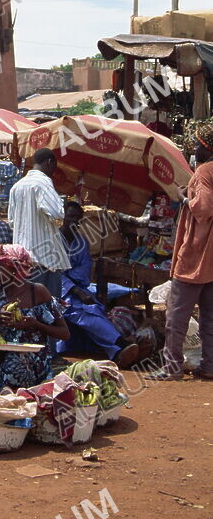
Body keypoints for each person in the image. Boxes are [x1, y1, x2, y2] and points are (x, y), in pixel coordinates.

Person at [150, 121, 213, 381]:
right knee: (210, 318)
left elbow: (205, 208)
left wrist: (184, 197)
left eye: (197, 145)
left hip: (195, 257)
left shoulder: (204, 172)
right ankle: (209, 365)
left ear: (205, 148)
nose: (195, 150)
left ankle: (172, 367)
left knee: (176, 316)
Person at [0, 243, 69, 393]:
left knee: (14, 363)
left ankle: (11, 400)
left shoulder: (37, 292)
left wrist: (35, 324)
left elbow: (64, 333)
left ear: (14, 270)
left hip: (31, 356)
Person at [57, 200, 139, 369]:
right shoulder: (53, 242)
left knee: (94, 308)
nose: (73, 221)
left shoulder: (82, 243)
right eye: (70, 217)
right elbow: (54, 273)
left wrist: (76, 285)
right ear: (62, 217)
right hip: (58, 291)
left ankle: (117, 349)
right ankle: (119, 345)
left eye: (77, 218)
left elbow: (85, 268)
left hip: (78, 287)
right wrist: (75, 289)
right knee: (80, 311)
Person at [7, 147, 70, 297]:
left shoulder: (17, 187)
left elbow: (11, 222)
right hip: (43, 260)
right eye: (54, 166)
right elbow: (57, 212)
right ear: (49, 162)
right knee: (48, 307)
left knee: (26, 306)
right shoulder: (43, 183)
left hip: (22, 259)